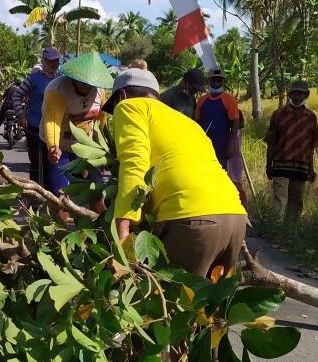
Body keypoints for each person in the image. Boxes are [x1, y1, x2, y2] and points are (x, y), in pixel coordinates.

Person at [104, 68, 247, 277]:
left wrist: (122, 232)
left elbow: (134, 164)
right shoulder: (187, 122)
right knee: (211, 297)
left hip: (193, 219)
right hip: (235, 217)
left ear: (122, 95)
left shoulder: (128, 106)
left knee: (166, 295)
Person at [40, 52, 113, 212]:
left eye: (91, 84)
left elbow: (101, 120)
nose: (88, 87)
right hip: (60, 145)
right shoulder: (57, 89)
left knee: (96, 188)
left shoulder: (99, 91)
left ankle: (98, 222)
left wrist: (103, 148)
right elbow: (52, 121)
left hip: (86, 146)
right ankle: (59, 223)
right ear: (74, 78)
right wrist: (53, 147)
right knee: (60, 197)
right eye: (83, 83)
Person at [264, 79, 318, 228]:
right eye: (294, 93)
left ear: (306, 95)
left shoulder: (311, 117)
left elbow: (311, 146)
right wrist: (268, 165)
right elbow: (271, 142)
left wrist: (311, 168)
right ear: (289, 95)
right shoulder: (278, 114)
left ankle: (290, 234)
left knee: (296, 203)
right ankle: (275, 231)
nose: (297, 97)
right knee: (279, 200)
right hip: (280, 165)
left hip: (301, 167)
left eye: (300, 94)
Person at [10, 47, 61, 186]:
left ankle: (51, 193)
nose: (54, 64)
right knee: (37, 163)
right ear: (43, 61)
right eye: (51, 61)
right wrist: (20, 114)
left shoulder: (62, 79)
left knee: (54, 162)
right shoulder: (33, 79)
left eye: (56, 61)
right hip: (35, 128)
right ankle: (35, 192)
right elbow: (17, 95)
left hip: (55, 129)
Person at [195, 67, 240, 167]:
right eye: (213, 81)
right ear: (209, 82)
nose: (216, 84)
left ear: (223, 82)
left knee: (220, 170)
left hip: (222, 144)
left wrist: (231, 143)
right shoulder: (202, 100)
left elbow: (235, 122)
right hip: (204, 143)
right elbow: (197, 121)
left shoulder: (230, 100)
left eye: (219, 81)